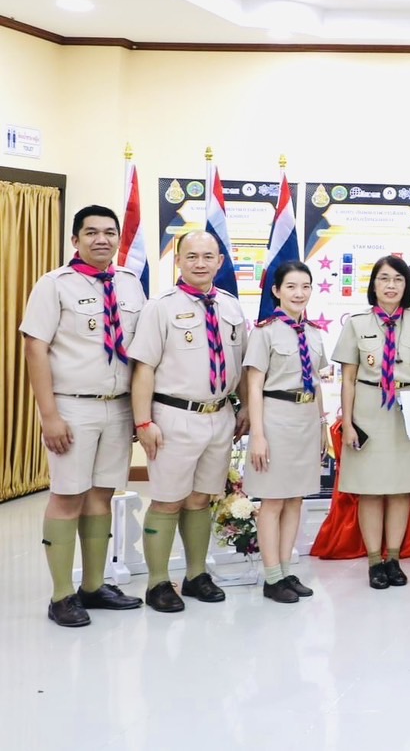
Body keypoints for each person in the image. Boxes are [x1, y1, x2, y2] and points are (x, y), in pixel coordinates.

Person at [21, 205, 147, 627]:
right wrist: (49, 415)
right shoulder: (54, 285)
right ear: (75, 240)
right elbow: (35, 348)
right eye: (91, 232)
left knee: (101, 496)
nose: (101, 239)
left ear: (118, 239)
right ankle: (61, 595)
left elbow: (141, 351)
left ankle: (93, 586)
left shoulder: (130, 284)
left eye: (109, 232)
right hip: (72, 405)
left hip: (119, 406)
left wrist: (139, 412)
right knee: (67, 496)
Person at [128, 231, 249, 613]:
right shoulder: (160, 307)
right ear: (178, 260)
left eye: (208, 256)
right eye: (191, 256)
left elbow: (242, 366)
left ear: (220, 262)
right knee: (167, 500)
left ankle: (196, 575)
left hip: (219, 416)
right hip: (174, 416)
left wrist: (245, 406)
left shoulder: (231, 307)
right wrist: (143, 422)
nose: (200, 263)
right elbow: (143, 368)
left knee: (200, 499)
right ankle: (157, 582)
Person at [334, 255, 410, 590]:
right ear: (374, 284)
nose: (391, 285)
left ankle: (393, 559)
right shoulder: (357, 323)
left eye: (398, 279)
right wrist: (348, 422)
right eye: (384, 278)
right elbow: (348, 378)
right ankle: (373, 561)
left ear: (406, 285)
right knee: (369, 490)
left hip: (407, 408)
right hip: (368, 409)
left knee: (400, 489)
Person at [241, 259, 326, 604]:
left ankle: (287, 570)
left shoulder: (314, 333)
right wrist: (258, 435)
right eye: (291, 286)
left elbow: (316, 382)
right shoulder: (264, 332)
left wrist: (322, 425)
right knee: (273, 500)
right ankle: (272, 576)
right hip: (275, 419)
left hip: (306, 420)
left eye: (305, 286)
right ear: (276, 291)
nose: (299, 293)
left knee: (295, 499)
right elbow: (254, 385)